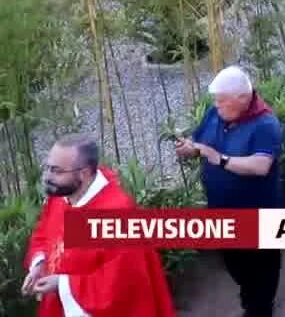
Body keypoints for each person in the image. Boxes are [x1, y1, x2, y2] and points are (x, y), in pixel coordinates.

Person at [22, 135, 175, 317]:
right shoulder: (60, 196)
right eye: (47, 168)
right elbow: (45, 232)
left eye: (57, 171)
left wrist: (62, 284)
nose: (48, 177)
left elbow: (122, 282)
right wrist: (39, 265)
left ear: (84, 173)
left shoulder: (117, 213)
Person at [178, 66, 284, 317]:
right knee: (234, 263)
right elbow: (199, 144)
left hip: (258, 212)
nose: (216, 104)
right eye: (216, 99)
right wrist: (189, 149)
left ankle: (260, 308)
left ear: (243, 99)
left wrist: (221, 159)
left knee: (262, 264)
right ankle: (251, 298)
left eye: (222, 100)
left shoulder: (265, 124)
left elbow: (261, 166)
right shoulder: (215, 114)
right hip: (222, 210)